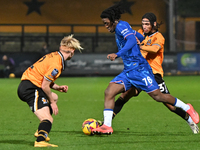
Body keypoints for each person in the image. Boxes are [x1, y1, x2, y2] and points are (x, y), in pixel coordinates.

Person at [92, 2, 199, 135]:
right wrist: (138, 39)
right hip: (130, 71)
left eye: (106, 23)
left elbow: (141, 44)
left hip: (146, 71)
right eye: (143, 23)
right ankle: (107, 126)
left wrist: (118, 53)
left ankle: (187, 109)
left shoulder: (153, 35)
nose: (105, 26)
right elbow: (140, 37)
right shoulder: (128, 28)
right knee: (110, 92)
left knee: (160, 98)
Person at [17, 35, 83, 147]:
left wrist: (57, 87)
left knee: (55, 97)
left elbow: (44, 77)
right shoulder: (57, 64)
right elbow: (45, 86)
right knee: (48, 118)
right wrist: (52, 103)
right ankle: (40, 140)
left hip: (30, 85)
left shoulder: (54, 55)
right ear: (72, 50)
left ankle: (41, 130)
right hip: (31, 88)